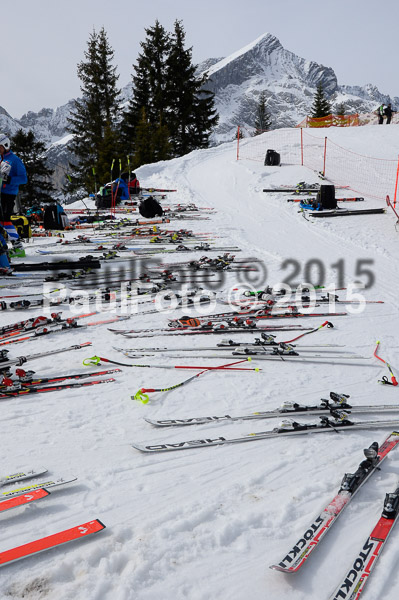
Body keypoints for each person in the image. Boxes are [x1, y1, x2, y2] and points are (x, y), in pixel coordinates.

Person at [0, 133, 27, 220]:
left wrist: (9, 180)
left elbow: (23, 179)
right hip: (0, 193)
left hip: (9, 194)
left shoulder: (15, 160)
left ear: (6, 145)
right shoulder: (1, 158)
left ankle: (10, 233)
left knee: (5, 219)